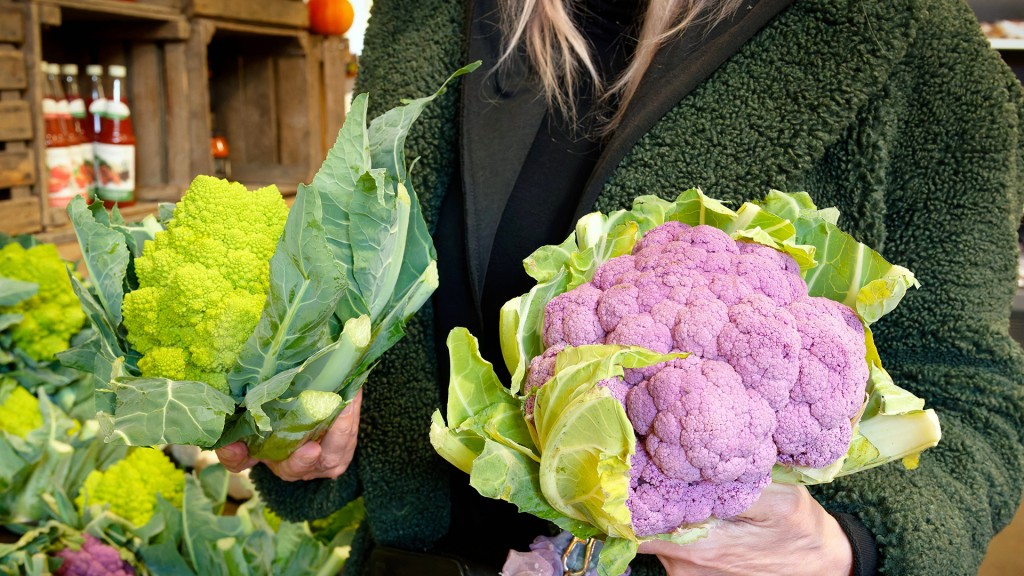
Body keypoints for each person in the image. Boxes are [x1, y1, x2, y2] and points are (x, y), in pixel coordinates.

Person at [217, 0, 1024, 574]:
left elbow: (975, 396)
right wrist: (310, 426)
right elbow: (377, 294)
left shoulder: (919, 48)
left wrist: (849, 543)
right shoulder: (427, 17)